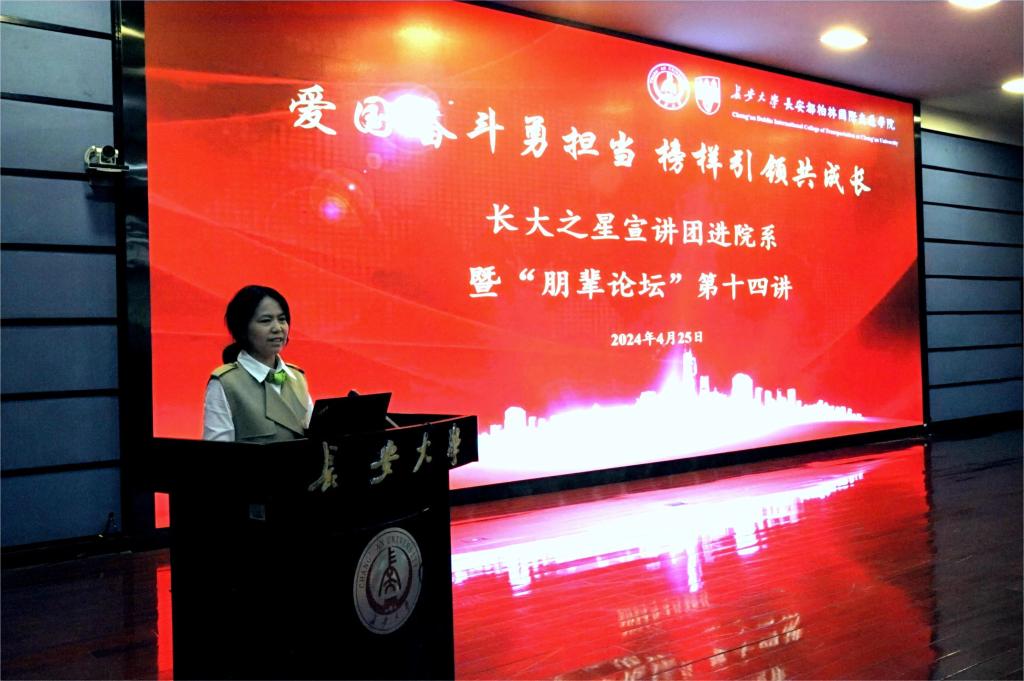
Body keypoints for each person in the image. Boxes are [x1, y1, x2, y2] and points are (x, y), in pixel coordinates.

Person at [202, 285, 313, 442]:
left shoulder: (297, 378)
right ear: (243, 328)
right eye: (266, 321)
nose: (278, 328)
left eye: (282, 319)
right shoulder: (226, 383)